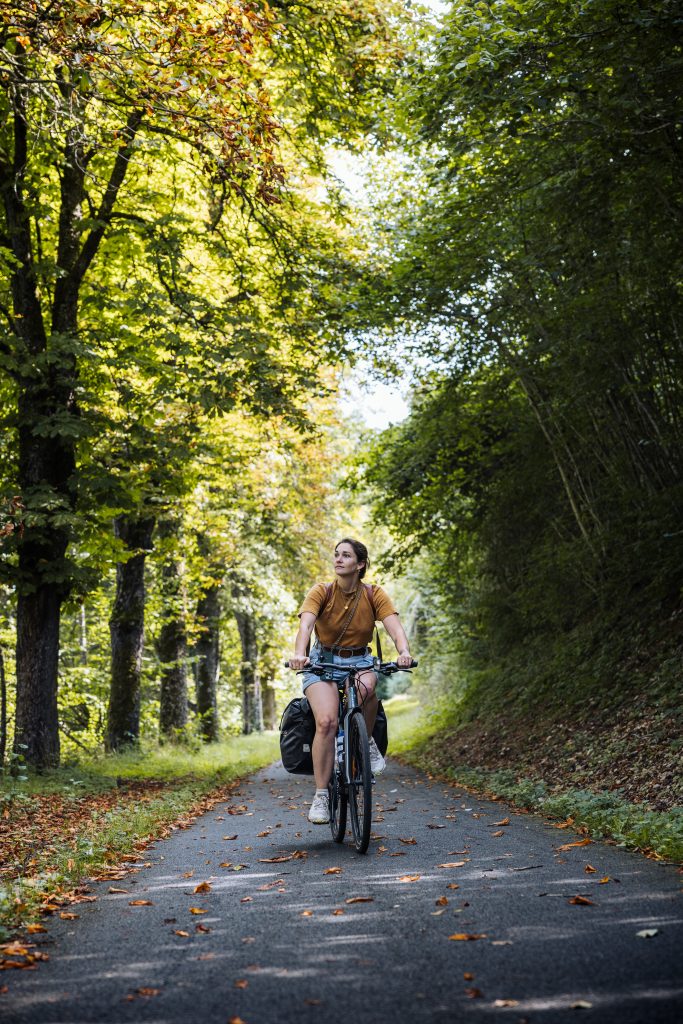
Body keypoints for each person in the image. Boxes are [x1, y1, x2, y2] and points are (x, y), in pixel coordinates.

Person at [288, 537, 413, 824]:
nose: (338, 559)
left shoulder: (374, 594)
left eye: (346, 555)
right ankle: (321, 795)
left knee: (369, 687)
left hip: (359, 660)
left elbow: (394, 627)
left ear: (360, 564)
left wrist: (404, 651)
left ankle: (366, 741)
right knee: (327, 721)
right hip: (322, 661)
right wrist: (298, 654)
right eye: (336, 555)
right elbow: (306, 625)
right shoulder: (321, 591)